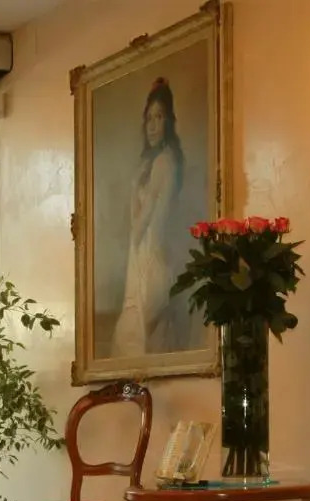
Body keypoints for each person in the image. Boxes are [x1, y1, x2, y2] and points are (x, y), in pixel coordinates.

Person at [110, 77, 187, 357]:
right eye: (149, 118)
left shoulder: (163, 162)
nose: (153, 125)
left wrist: (134, 188)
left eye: (159, 117)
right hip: (148, 259)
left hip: (150, 263)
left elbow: (140, 226)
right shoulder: (159, 161)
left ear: (169, 121)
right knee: (150, 343)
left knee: (135, 339)